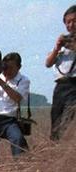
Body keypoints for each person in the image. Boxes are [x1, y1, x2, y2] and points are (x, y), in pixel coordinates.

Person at [45, 5, 76, 140]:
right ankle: (54, 145)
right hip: (60, 85)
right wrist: (57, 47)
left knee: (67, 117)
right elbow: (48, 63)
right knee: (56, 119)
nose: (71, 25)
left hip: (74, 84)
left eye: (74, 21)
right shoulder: (63, 40)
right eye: (68, 22)